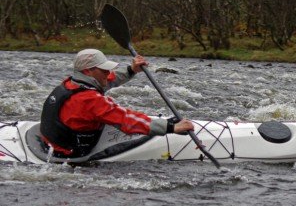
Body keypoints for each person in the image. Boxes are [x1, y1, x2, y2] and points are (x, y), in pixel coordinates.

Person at [40, 48, 194, 157]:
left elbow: (109, 80)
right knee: (135, 125)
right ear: (88, 71)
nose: (108, 73)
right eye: (104, 70)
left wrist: (131, 70)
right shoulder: (90, 100)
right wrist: (171, 127)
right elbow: (125, 119)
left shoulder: (71, 82)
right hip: (69, 151)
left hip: (51, 141)